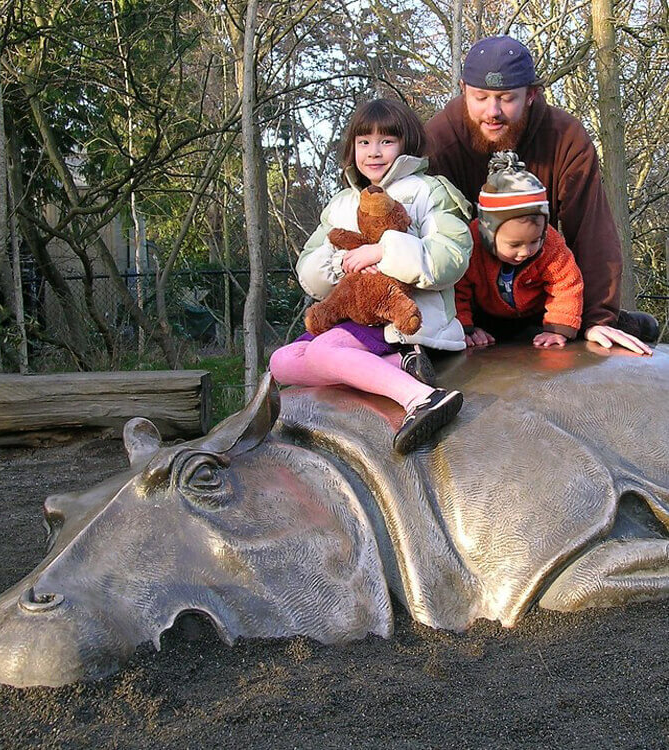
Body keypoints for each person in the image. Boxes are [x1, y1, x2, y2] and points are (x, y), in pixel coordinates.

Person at [424, 35, 654, 355]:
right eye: (480, 97)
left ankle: (616, 321)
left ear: (531, 94)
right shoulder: (438, 140)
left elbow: (591, 229)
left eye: (506, 98)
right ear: (463, 90)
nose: (492, 111)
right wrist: (453, 322)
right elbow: (424, 233)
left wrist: (597, 318)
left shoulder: (566, 138)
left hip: (539, 298)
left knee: (608, 324)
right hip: (467, 298)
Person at [269, 99, 472, 454]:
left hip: (405, 319)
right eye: (364, 142)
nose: (374, 152)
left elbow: (451, 255)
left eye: (386, 141)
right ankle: (400, 367)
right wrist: (343, 262)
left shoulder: (428, 190)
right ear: (353, 148)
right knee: (281, 362)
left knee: (323, 351)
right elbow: (309, 269)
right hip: (354, 314)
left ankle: (421, 398)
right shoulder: (342, 202)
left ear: (406, 144)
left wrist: (385, 252)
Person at [455, 151, 584, 348]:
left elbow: (566, 282)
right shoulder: (471, 245)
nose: (525, 251)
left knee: (579, 323)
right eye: (514, 244)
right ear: (488, 233)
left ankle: (630, 323)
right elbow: (457, 289)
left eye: (535, 240)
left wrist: (557, 328)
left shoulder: (551, 245)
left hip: (536, 316)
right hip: (486, 318)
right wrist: (465, 328)